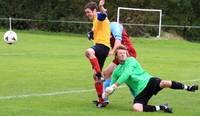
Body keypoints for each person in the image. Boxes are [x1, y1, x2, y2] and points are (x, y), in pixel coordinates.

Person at [102, 45, 198, 113]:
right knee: (136, 108)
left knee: (165, 83)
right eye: (120, 53)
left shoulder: (131, 60)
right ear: (116, 56)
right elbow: (111, 85)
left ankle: (189, 88)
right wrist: (106, 94)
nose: (123, 54)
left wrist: (114, 86)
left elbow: (126, 74)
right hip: (140, 92)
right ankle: (162, 107)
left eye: (124, 53)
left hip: (149, 81)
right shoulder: (116, 71)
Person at [102, 22, 137, 104]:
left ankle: (139, 99)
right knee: (107, 73)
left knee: (128, 78)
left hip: (126, 52)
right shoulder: (105, 29)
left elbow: (118, 42)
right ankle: (104, 99)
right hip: (119, 52)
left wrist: (112, 51)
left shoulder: (113, 25)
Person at [84, 0, 110, 108]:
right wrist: (90, 34)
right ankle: (102, 100)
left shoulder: (99, 15)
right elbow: (95, 30)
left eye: (88, 12)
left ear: (94, 10)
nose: (87, 14)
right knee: (95, 77)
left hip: (103, 46)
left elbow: (104, 15)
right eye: (86, 12)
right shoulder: (95, 20)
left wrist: (101, 7)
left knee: (88, 51)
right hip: (100, 48)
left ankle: (100, 75)